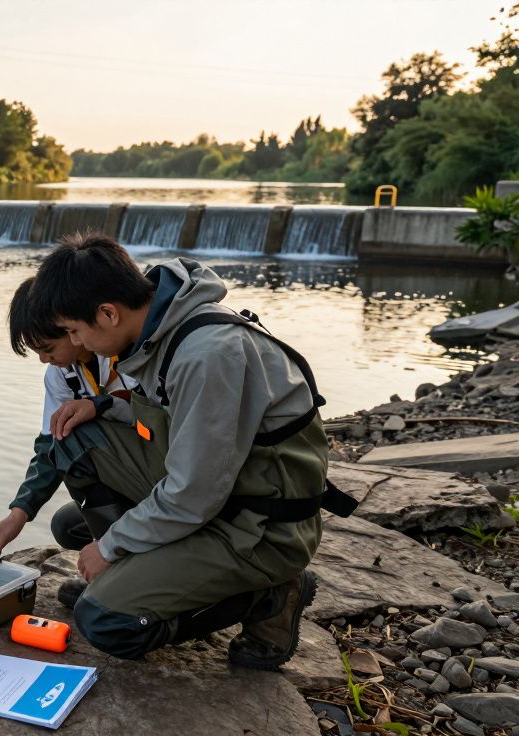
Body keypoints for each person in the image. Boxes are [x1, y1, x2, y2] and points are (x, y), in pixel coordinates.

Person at [22, 231, 353, 670]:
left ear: (107, 313)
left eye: (74, 331)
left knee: (104, 621)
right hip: (226, 497)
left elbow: (192, 494)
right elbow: (166, 425)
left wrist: (112, 546)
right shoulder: (158, 332)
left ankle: (268, 595)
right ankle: (132, 576)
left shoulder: (205, 354)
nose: (77, 344)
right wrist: (99, 405)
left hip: (259, 528)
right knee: (77, 441)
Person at [0, 277, 135, 565]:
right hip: (125, 477)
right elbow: (49, 446)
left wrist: (98, 406)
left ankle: (114, 564)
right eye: (37, 351)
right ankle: (117, 553)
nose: (43, 359)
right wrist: (17, 515)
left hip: (155, 473)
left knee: (75, 433)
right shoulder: (60, 374)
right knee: (65, 527)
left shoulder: (128, 352)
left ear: (70, 326)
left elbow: (152, 413)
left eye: (48, 348)